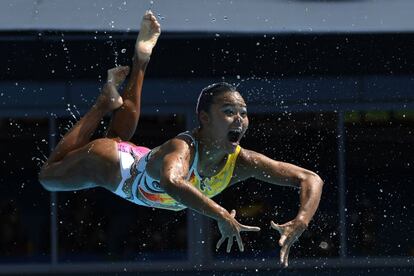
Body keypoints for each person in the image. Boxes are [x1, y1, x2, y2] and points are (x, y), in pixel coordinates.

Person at [38, 11, 323, 267]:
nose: (239, 119)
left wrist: (301, 220)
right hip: (111, 164)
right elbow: (172, 182)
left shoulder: (242, 162)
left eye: (243, 113)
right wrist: (221, 214)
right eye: (228, 111)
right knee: (48, 176)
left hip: (134, 156)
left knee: (117, 136)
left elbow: (310, 179)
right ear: (204, 118)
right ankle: (104, 102)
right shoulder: (183, 146)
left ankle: (140, 60)